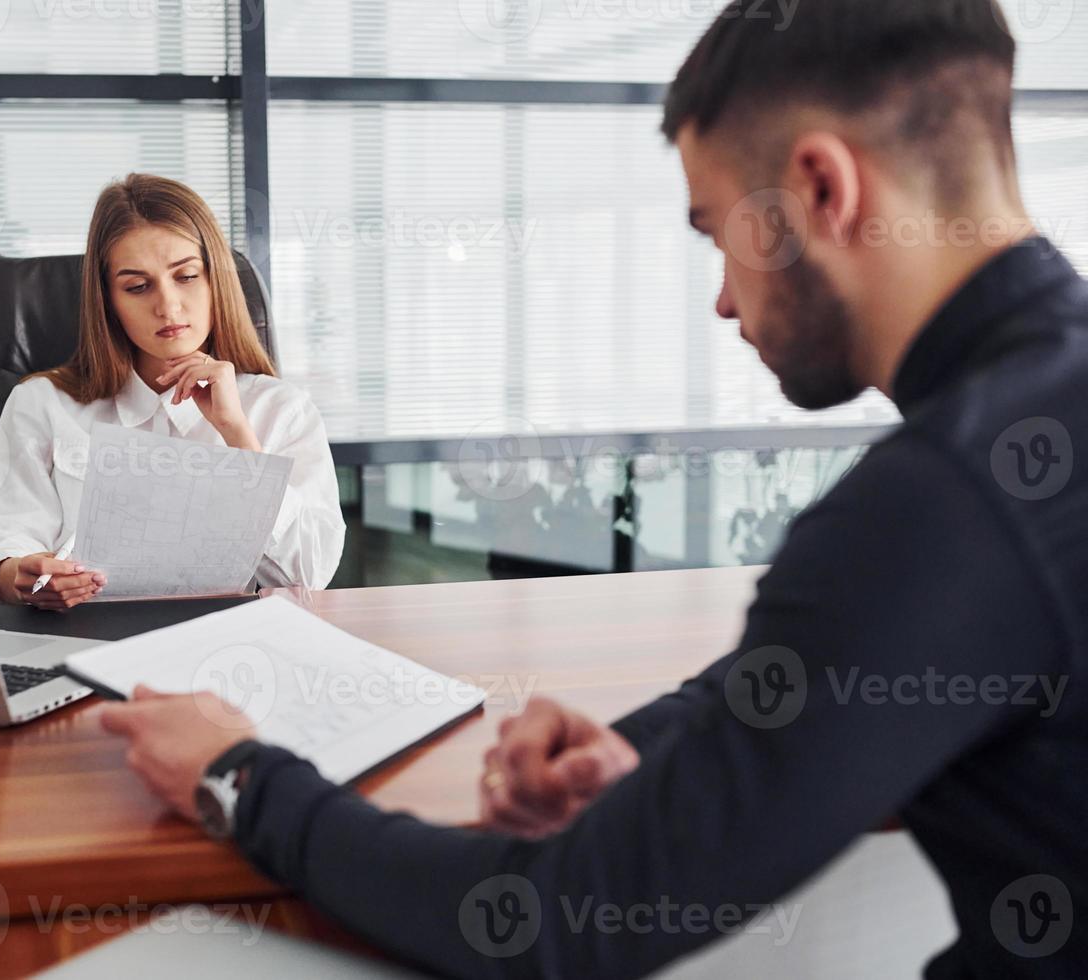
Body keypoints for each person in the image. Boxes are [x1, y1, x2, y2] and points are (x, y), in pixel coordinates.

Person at [96, 1, 1087, 976]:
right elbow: (821, 666)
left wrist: (239, 775)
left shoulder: (946, 497)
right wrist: (644, 747)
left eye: (715, 235)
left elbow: (548, 920)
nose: (723, 298)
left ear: (821, 188)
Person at [0, 174, 346, 609]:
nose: (167, 305)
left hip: (226, 647)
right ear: (108, 300)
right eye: (137, 287)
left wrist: (238, 435)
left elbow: (308, 576)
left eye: (185, 276)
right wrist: (22, 576)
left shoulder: (280, 410)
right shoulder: (44, 402)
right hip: (83, 639)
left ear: (214, 280)